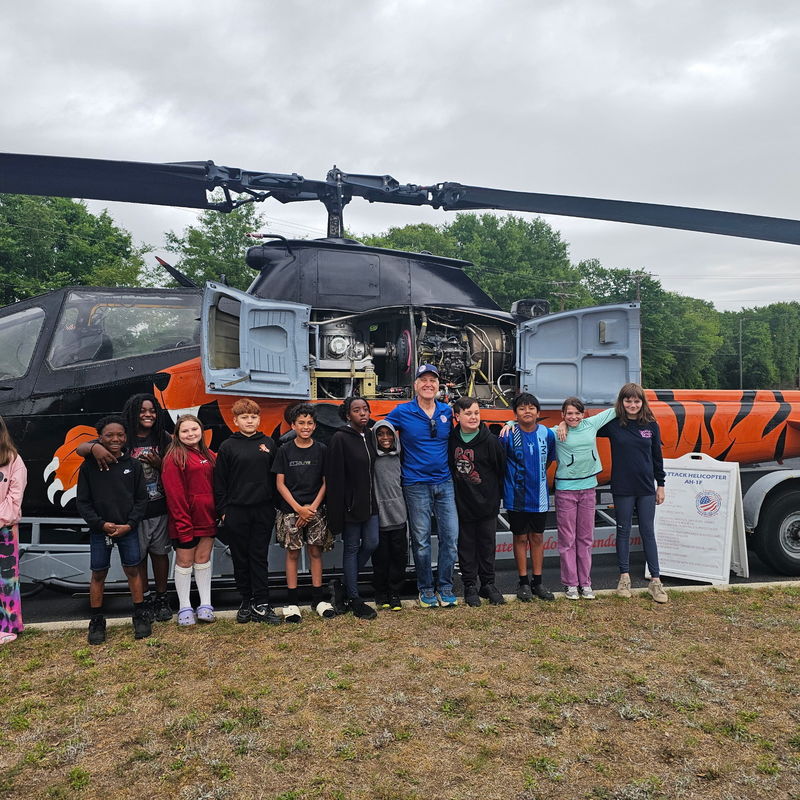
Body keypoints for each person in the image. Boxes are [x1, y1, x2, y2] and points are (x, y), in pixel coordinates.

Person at [77, 394, 173, 622]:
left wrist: (161, 465)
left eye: (152, 410)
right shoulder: (124, 437)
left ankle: (162, 597)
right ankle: (145, 598)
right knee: (137, 559)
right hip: (132, 514)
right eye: (142, 410)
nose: (148, 414)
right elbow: (82, 448)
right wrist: (94, 449)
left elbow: (176, 467)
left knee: (160, 555)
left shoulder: (163, 437)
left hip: (158, 508)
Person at [385, 364, 459, 608]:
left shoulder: (447, 411)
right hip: (415, 483)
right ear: (415, 385)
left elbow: (472, 424)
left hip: (444, 483)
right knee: (422, 540)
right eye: (423, 380)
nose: (429, 384)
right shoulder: (402, 411)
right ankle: (426, 588)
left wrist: (510, 425)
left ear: (439, 385)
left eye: (433, 380)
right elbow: (380, 430)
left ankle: (446, 586)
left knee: (450, 537)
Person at [76, 415, 150, 644]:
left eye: (120, 435)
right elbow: (83, 502)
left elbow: (141, 499)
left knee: (133, 570)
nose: (115, 439)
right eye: (109, 435)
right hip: (101, 530)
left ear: (126, 437)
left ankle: (139, 614)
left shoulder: (134, 465)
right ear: (100, 438)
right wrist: (100, 524)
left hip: (127, 529)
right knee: (98, 573)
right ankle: (97, 620)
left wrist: (129, 524)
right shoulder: (88, 467)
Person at [598, 383, 668, 603]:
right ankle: (624, 578)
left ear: (642, 402)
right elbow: (584, 426)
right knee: (623, 531)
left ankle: (655, 582)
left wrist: (661, 484)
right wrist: (563, 423)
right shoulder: (613, 425)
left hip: (646, 488)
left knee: (648, 532)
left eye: (636, 401)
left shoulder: (651, 425)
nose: (632, 404)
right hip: (623, 488)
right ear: (622, 402)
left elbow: (657, 456)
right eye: (628, 400)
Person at [214, 398, 283, 625]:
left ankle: (262, 602)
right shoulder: (227, 446)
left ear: (259, 419)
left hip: (262, 510)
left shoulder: (268, 444)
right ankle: (246, 600)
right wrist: (224, 511)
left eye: (253, 417)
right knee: (241, 558)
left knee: (259, 557)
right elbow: (220, 482)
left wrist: (273, 506)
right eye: (244, 417)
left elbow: (276, 478)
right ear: (235, 420)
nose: (249, 421)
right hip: (236, 512)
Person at [272, 403, 334, 622]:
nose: (305, 427)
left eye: (309, 423)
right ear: (293, 425)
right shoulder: (284, 450)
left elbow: (326, 483)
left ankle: (318, 598)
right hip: (291, 511)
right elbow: (280, 484)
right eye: (301, 423)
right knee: (292, 554)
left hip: (315, 510)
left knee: (316, 552)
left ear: (315, 426)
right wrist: (299, 509)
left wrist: (312, 509)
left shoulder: (322, 450)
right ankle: (292, 601)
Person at [551, 397, 618, 600]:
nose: (573, 417)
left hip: (588, 489)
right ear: (562, 415)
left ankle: (585, 583)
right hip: (566, 491)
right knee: (567, 539)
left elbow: (614, 410)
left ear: (583, 413)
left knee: (586, 538)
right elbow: (532, 429)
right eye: (568, 414)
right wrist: (509, 424)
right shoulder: (556, 431)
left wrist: (634, 393)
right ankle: (571, 584)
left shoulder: (591, 424)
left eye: (577, 413)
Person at [449, 397, 506, 607]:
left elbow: (501, 469)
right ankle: (470, 585)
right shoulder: (452, 440)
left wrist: (493, 497)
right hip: (463, 504)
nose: (473, 417)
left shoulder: (490, 441)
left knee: (487, 545)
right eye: (468, 413)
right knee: (466, 547)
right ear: (457, 417)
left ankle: (488, 584)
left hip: (487, 504)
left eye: (476, 413)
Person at [326, 397, 379, 620]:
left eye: (365, 409)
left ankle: (344, 585)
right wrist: (338, 509)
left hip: (370, 503)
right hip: (350, 505)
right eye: (357, 410)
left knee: (372, 543)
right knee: (351, 549)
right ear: (348, 415)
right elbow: (335, 476)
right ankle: (354, 597)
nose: (362, 413)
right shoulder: (340, 438)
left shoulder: (370, 436)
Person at [161, 414, 218, 625]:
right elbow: (175, 495)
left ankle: (205, 605)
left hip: (207, 519)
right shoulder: (174, 457)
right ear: (177, 435)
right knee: (184, 562)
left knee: (203, 560)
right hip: (185, 521)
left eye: (194, 429)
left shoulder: (209, 454)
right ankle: (184, 607)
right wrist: (183, 524)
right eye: (185, 431)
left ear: (201, 431)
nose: (190, 434)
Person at [502, 393, 556, 602]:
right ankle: (523, 582)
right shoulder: (508, 434)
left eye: (531, 407)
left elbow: (549, 460)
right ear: (515, 413)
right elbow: (502, 461)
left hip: (540, 496)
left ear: (538, 412)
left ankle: (538, 582)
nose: (527, 411)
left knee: (537, 537)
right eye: (522, 408)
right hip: (516, 496)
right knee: (520, 537)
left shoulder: (546, 434)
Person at [370, 420, 408, 612]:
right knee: (381, 558)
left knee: (398, 557)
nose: (385, 438)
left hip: (399, 515)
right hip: (379, 516)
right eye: (380, 434)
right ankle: (381, 593)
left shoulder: (400, 457)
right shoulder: (371, 458)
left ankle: (395, 593)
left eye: (389, 434)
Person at [0, 416, 27, 645]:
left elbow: (15, 496)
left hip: (5, 529)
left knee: (6, 580)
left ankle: (8, 626)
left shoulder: (12, 459)